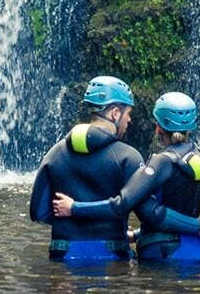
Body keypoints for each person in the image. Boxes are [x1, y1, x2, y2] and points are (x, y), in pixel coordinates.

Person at [52, 91, 200, 262]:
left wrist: (73, 207)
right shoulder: (199, 156)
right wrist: (136, 234)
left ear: (159, 126)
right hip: (199, 249)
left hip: (163, 252)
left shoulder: (162, 162)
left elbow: (124, 206)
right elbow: (178, 206)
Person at [29, 75, 142, 261]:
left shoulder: (54, 152)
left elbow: (38, 212)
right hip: (111, 254)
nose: (129, 120)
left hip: (64, 252)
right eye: (128, 113)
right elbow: (148, 213)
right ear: (115, 113)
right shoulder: (128, 156)